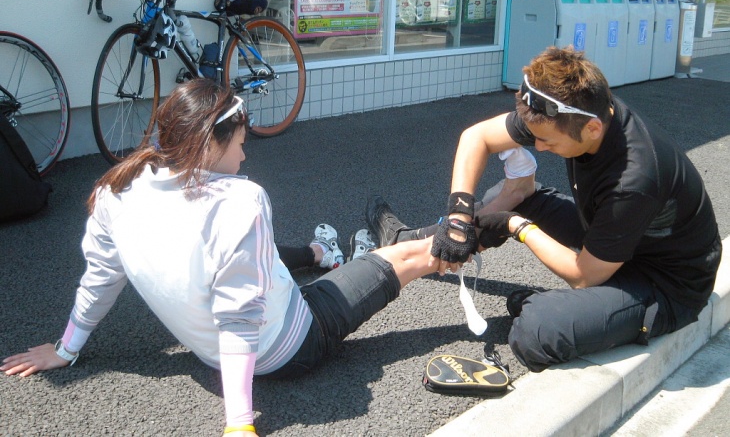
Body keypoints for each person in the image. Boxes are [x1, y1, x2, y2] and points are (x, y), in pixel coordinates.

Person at [1, 79, 439, 437]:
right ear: (212, 143)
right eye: (241, 143)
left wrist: (66, 349)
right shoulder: (239, 202)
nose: (245, 155)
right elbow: (238, 318)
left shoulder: (114, 191)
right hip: (291, 344)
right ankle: (476, 231)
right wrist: (239, 424)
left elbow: (101, 276)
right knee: (407, 256)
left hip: (210, 351)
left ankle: (319, 253)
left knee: (255, 254)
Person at [367, 45, 722, 372]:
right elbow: (477, 137)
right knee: (511, 197)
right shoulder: (569, 111)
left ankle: (563, 309)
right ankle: (427, 245)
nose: (537, 145)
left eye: (547, 141)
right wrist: (459, 216)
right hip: (617, 233)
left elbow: (584, 275)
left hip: (665, 281)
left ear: (593, 128)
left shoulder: (635, 179)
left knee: (537, 332)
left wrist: (516, 226)